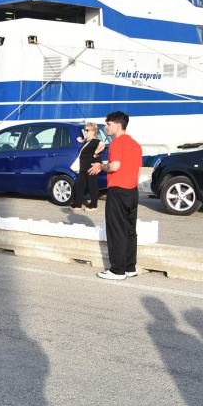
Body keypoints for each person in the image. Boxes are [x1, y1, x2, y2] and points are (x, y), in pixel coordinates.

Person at [88, 111, 142, 280]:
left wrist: (101, 166)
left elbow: (115, 166)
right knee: (129, 230)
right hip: (132, 191)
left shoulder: (117, 143)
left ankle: (117, 270)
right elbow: (138, 171)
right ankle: (129, 267)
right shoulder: (136, 144)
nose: (106, 127)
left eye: (108, 124)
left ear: (118, 126)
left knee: (116, 230)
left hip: (118, 190)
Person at [71, 123, 105, 212]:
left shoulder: (96, 141)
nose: (85, 132)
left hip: (91, 168)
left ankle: (94, 205)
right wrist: (81, 140)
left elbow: (102, 144)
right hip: (83, 168)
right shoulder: (87, 141)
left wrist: (96, 152)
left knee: (92, 186)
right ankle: (77, 204)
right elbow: (85, 144)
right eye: (85, 130)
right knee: (79, 186)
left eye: (87, 130)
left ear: (93, 131)